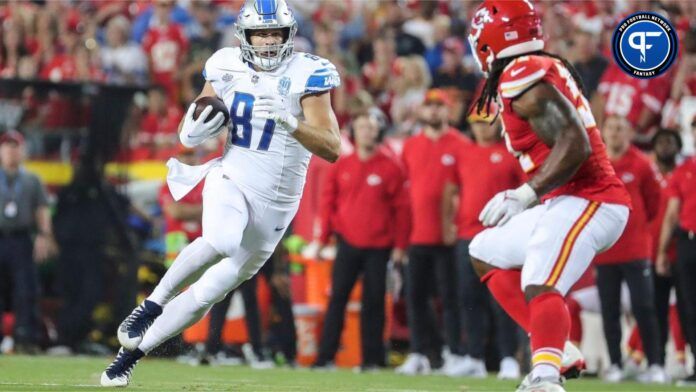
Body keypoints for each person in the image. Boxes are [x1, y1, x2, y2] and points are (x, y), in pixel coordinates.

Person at [101, 0, 341, 386]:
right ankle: (151, 304)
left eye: (274, 33)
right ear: (244, 37)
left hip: (278, 206)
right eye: (259, 33)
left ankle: (131, 354)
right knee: (222, 239)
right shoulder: (225, 63)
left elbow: (331, 147)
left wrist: (290, 122)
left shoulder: (309, 73)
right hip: (231, 175)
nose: (266, 42)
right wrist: (190, 131)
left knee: (209, 291)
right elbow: (195, 116)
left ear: (287, 35)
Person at [466, 2, 631, 391]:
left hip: (592, 197)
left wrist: (525, 193)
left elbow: (576, 145)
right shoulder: (531, 69)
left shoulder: (521, 74)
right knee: (483, 250)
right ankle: (560, 348)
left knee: (540, 281)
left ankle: (544, 378)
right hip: (566, 199)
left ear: (489, 41)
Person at [313, 111, 409, 371]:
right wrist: (322, 240)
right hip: (347, 243)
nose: (366, 131)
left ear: (378, 131)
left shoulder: (391, 166)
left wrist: (400, 246)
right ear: (353, 132)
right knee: (337, 301)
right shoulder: (342, 165)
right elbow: (328, 204)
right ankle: (325, 358)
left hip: (379, 246)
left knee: (374, 303)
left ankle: (372, 360)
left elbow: (402, 209)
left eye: (371, 126)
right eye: (361, 127)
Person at [441, 104, 525, 379]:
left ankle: (508, 358)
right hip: (467, 235)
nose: (480, 127)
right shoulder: (463, 153)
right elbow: (452, 189)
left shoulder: (510, 154)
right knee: (469, 298)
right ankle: (474, 357)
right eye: (476, 122)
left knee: (502, 299)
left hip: (500, 235)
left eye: (485, 122)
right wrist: (449, 223)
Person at [396, 89, 468, 375]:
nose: (434, 112)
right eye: (430, 106)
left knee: (451, 298)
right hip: (418, 236)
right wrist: (401, 241)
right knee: (415, 297)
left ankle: (454, 353)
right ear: (422, 111)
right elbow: (405, 198)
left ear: (448, 111)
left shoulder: (460, 144)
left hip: (449, 238)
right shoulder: (411, 146)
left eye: (440, 107)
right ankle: (419, 353)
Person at [593, 115, 666, 384]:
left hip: (636, 250)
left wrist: (636, 229)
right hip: (605, 250)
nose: (614, 133)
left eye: (620, 128)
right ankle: (614, 364)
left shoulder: (642, 164)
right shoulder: (597, 163)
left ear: (630, 132)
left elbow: (654, 203)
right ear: (602, 131)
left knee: (645, 307)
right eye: (611, 128)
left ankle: (656, 364)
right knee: (609, 309)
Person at [0, 130, 56, 353]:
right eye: (7, 146)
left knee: (26, 290)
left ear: (23, 151)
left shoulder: (32, 180)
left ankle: (26, 338)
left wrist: (44, 236)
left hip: (21, 238)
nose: (12, 151)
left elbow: (42, 211)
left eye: (16, 146)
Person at [657, 121, 696, 387]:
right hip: (687, 244)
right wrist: (661, 252)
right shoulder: (684, 170)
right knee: (689, 307)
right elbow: (671, 215)